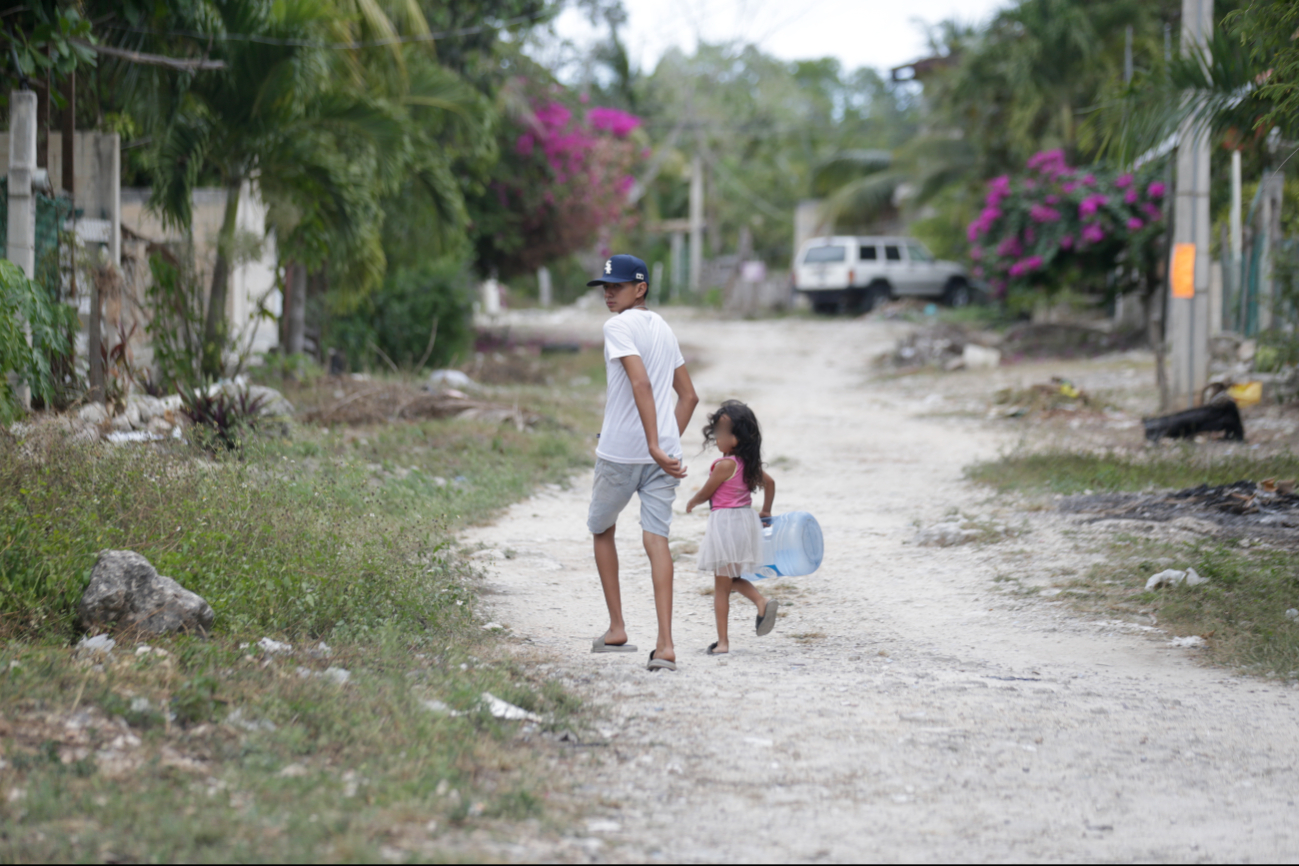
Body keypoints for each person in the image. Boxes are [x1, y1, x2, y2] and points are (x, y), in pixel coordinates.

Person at [586, 254, 698, 672]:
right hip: (662, 459)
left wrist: (653, 443)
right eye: (605, 286)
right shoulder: (664, 328)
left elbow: (640, 382)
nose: (608, 292)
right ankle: (665, 646)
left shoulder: (616, 326)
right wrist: (666, 443)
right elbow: (689, 396)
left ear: (641, 288)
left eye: (616, 286)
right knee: (658, 542)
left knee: (601, 529)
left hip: (619, 453)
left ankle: (617, 628)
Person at [685, 400, 779, 654]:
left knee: (721, 587)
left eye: (721, 433)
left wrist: (694, 500)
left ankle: (724, 642)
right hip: (745, 522)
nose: (717, 438)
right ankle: (760, 602)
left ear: (737, 438)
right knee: (731, 578)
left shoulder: (725, 465)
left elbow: (708, 491)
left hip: (725, 524)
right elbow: (770, 484)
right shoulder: (749, 465)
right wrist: (766, 510)